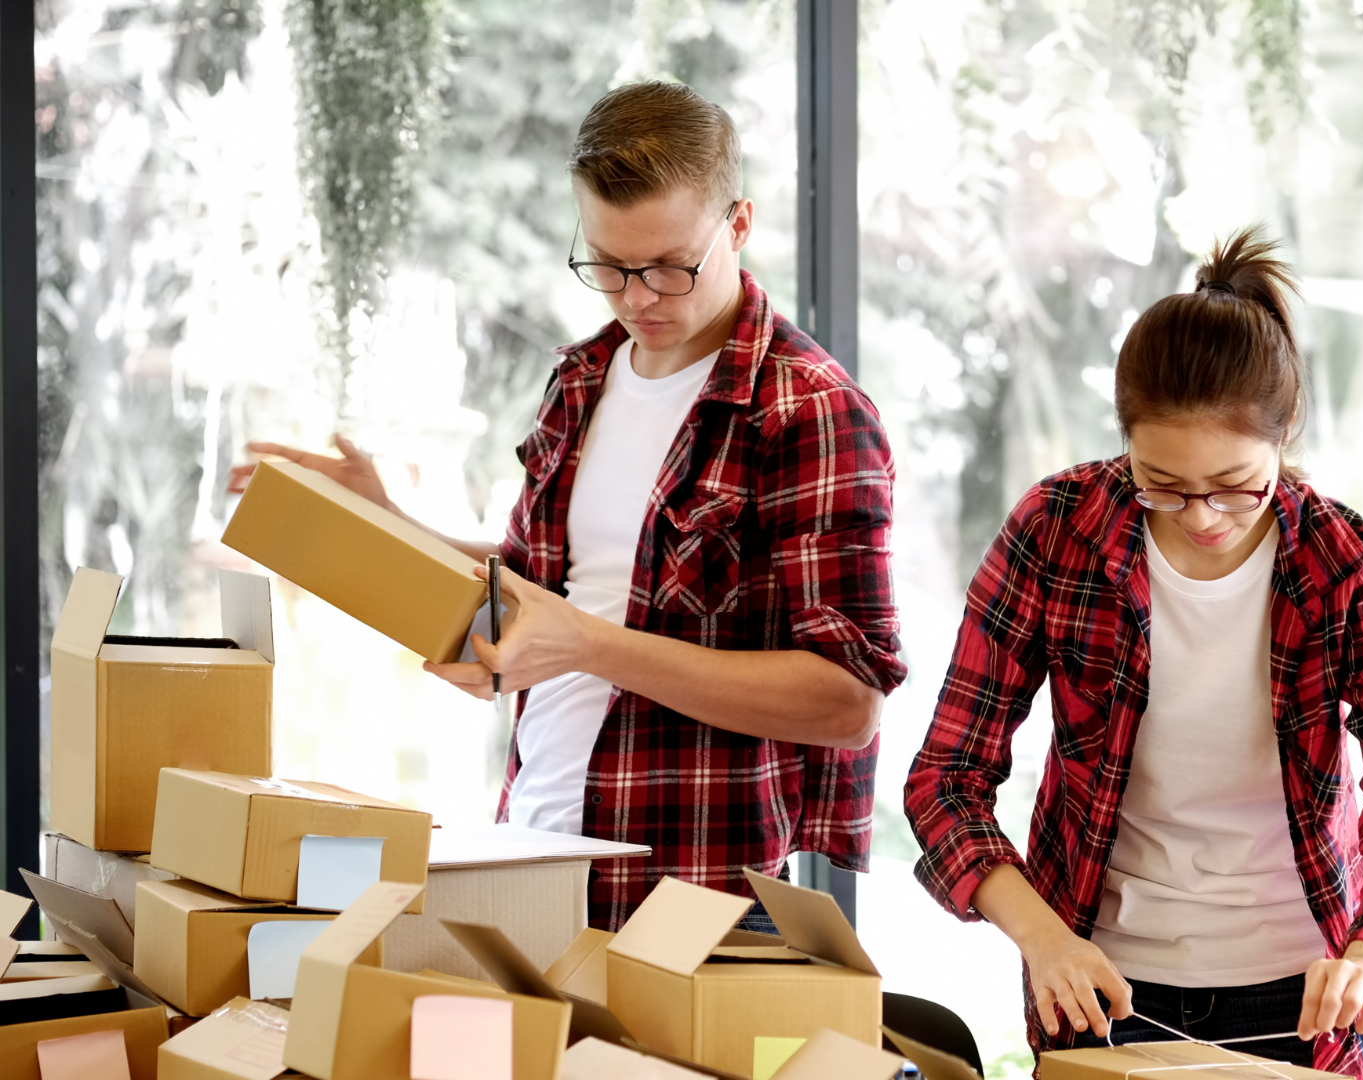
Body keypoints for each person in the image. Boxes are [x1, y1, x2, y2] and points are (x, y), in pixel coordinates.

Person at [229, 82, 905, 931]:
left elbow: (847, 702)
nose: (638, 300)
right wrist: (387, 521)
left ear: (738, 225)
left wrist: (590, 647)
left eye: (669, 266)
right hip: (531, 853)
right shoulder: (583, 378)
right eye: (610, 267)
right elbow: (559, 589)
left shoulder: (807, 408)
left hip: (696, 902)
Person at [903, 229, 1363, 1078]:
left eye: (1238, 486)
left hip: (1304, 997)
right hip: (1101, 986)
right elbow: (946, 780)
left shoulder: (1346, 565)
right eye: (1160, 482)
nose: (1201, 516)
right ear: (1124, 437)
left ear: (1285, 437)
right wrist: (1043, 940)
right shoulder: (1057, 532)